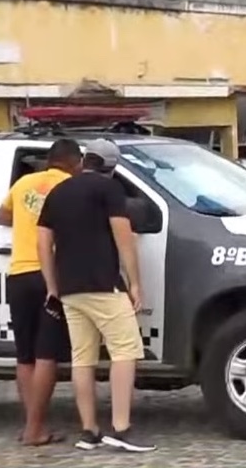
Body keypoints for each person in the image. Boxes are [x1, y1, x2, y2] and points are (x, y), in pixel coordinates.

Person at [36, 139, 156, 453]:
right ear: (109, 165)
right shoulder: (109, 190)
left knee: (82, 359)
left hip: (69, 289)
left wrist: (52, 287)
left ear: (85, 160)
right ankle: (121, 427)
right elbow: (124, 238)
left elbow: (43, 244)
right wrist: (135, 283)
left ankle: (89, 431)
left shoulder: (58, 192)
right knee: (125, 352)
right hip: (103, 285)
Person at [0, 139, 83, 447]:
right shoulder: (72, 187)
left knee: (25, 355)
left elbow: (1, 216)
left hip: (19, 274)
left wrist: (25, 221)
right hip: (50, 277)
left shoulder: (23, 183)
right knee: (47, 353)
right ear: (75, 163)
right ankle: (35, 430)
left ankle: (31, 425)